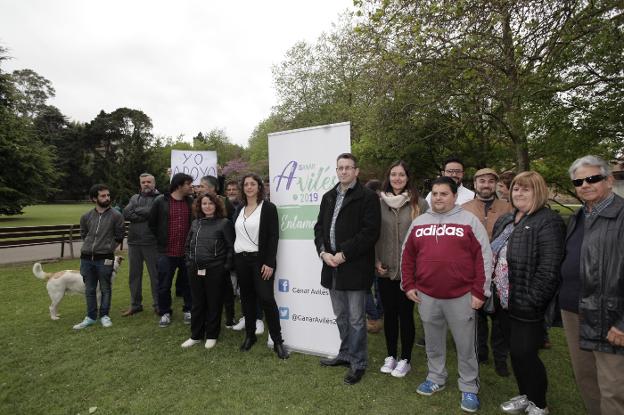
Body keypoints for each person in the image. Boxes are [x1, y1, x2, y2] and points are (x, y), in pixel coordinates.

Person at [401, 176, 491, 413]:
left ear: (454, 196)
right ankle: (436, 378)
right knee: (433, 342)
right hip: (427, 295)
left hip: (462, 296)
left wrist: (480, 292)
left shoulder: (469, 221)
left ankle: (469, 387)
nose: (438, 198)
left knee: (465, 346)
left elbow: (484, 258)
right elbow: (407, 255)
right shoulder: (419, 222)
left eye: (444, 193)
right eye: (435, 193)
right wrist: (408, 285)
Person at [491, 171, 566, 415]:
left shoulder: (548, 221)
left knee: (526, 354)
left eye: (526, 189)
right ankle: (525, 396)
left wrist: (531, 300)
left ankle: (539, 404)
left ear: (539, 192)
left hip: (527, 303)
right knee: (516, 353)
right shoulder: (506, 219)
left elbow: (549, 268)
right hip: (504, 300)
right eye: (516, 189)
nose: (519, 193)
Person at [560, 155, 624, 415]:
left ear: (609, 180)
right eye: (578, 181)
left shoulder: (621, 216)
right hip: (574, 310)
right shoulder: (579, 216)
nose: (584, 185)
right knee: (586, 378)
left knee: (613, 387)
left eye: (592, 178)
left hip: (609, 316)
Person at [314, 153, 381, 385]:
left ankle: (358, 362)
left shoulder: (368, 197)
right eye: (340, 168)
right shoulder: (328, 196)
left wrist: (343, 254)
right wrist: (323, 252)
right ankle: (345, 354)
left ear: (356, 171)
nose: (343, 171)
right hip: (330, 266)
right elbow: (318, 228)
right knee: (341, 316)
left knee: (355, 319)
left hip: (354, 266)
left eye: (348, 168)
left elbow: (370, 233)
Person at [375, 161, 428, 378]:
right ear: (388, 177)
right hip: (384, 269)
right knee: (389, 314)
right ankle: (390, 355)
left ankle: (405, 358)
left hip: (409, 271)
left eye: (402, 175)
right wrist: (375, 261)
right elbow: (373, 235)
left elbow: (425, 238)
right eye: (394, 174)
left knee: (406, 315)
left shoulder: (420, 204)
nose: (397, 178)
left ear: (408, 178)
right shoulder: (377, 202)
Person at [462, 168, 513, 376]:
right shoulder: (464, 209)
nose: (486, 185)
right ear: (475, 184)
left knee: (500, 319)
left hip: (502, 272)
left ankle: (501, 359)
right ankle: (480, 353)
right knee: (477, 316)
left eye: (490, 181)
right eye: (481, 181)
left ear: (495, 185)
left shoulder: (509, 207)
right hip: (474, 271)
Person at [233, 173, 288, 359]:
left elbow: (273, 237)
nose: (249, 187)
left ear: (259, 187)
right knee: (246, 299)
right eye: (246, 184)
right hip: (241, 260)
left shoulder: (268, 208)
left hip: (260, 261)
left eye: (252, 184)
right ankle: (250, 336)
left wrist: (269, 263)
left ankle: (278, 341)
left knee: (266, 299)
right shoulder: (239, 209)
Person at [181, 192, 235, 349]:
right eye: (204, 203)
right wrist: (189, 262)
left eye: (210, 203)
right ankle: (196, 335)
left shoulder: (224, 223)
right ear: (200, 206)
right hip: (195, 269)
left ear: (216, 205)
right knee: (197, 303)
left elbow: (231, 248)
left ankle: (212, 335)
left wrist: (225, 267)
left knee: (213, 303)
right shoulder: (196, 223)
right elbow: (188, 245)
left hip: (215, 270)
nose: (207, 206)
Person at [73, 184, 125, 330]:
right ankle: (90, 317)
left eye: (108, 195)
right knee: (89, 289)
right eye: (103, 196)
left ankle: (104, 316)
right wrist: (90, 247)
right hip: (87, 259)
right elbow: (84, 234)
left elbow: (119, 236)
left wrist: (107, 248)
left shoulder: (116, 215)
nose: (107, 198)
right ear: (94, 198)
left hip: (105, 258)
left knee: (105, 288)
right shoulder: (86, 216)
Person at [149, 173, 194, 328]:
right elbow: (152, 224)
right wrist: (161, 240)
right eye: (188, 184)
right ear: (179, 185)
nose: (191, 187)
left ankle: (188, 310)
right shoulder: (160, 201)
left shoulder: (191, 202)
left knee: (188, 283)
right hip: (166, 252)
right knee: (164, 284)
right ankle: (165, 312)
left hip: (186, 252)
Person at [197, 175, 237, 327]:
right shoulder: (198, 202)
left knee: (226, 288)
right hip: (204, 255)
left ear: (212, 188)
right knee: (205, 290)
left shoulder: (225, 202)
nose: (199, 188)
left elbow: (232, 225)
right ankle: (208, 316)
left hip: (221, 255)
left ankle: (230, 317)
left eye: (202, 186)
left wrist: (228, 261)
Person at [122, 173, 160, 316]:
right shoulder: (134, 198)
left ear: (154, 183)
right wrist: (145, 213)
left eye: (149, 182)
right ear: (140, 184)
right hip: (133, 242)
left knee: (155, 276)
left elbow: (153, 214)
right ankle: (135, 305)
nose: (146, 184)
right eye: (143, 182)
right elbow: (126, 214)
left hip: (151, 242)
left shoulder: (159, 199)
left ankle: (158, 304)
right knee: (134, 275)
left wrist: (137, 211)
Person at [365, 179, 384, 334]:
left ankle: (374, 316)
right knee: (376, 288)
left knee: (368, 289)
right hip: (371, 252)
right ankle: (376, 315)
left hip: (372, 253)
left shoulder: (369, 205)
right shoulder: (384, 205)